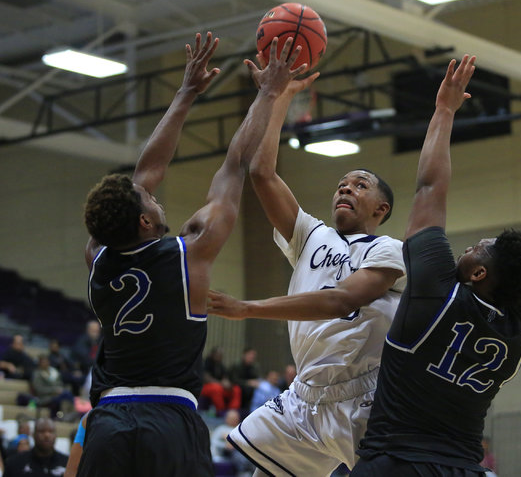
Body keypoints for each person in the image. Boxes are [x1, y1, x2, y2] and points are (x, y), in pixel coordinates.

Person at [350, 55, 521, 476]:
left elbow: (430, 187)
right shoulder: (517, 329)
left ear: (478, 273)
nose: (468, 247)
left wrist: (445, 110)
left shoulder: (438, 292)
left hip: (394, 463)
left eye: (477, 248)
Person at [77, 33, 306, 477]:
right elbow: (236, 163)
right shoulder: (190, 251)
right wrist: (268, 93)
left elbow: (146, 175)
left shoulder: (97, 257)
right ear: (145, 222)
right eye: (150, 202)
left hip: (107, 422)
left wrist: (184, 95)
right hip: (169, 419)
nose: (156, 200)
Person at [207, 58, 406, 476]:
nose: (345, 189)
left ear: (381, 208)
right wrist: (279, 97)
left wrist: (248, 308)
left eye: (359, 185)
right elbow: (262, 172)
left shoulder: (389, 248)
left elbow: (341, 301)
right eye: (341, 185)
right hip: (305, 394)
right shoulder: (310, 235)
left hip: (365, 395)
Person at [3, 418, 68, 477]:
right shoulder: (15, 463)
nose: (47, 435)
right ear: (33, 435)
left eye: (51, 432)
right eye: (42, 431)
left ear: (56, 435)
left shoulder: (67, 463)